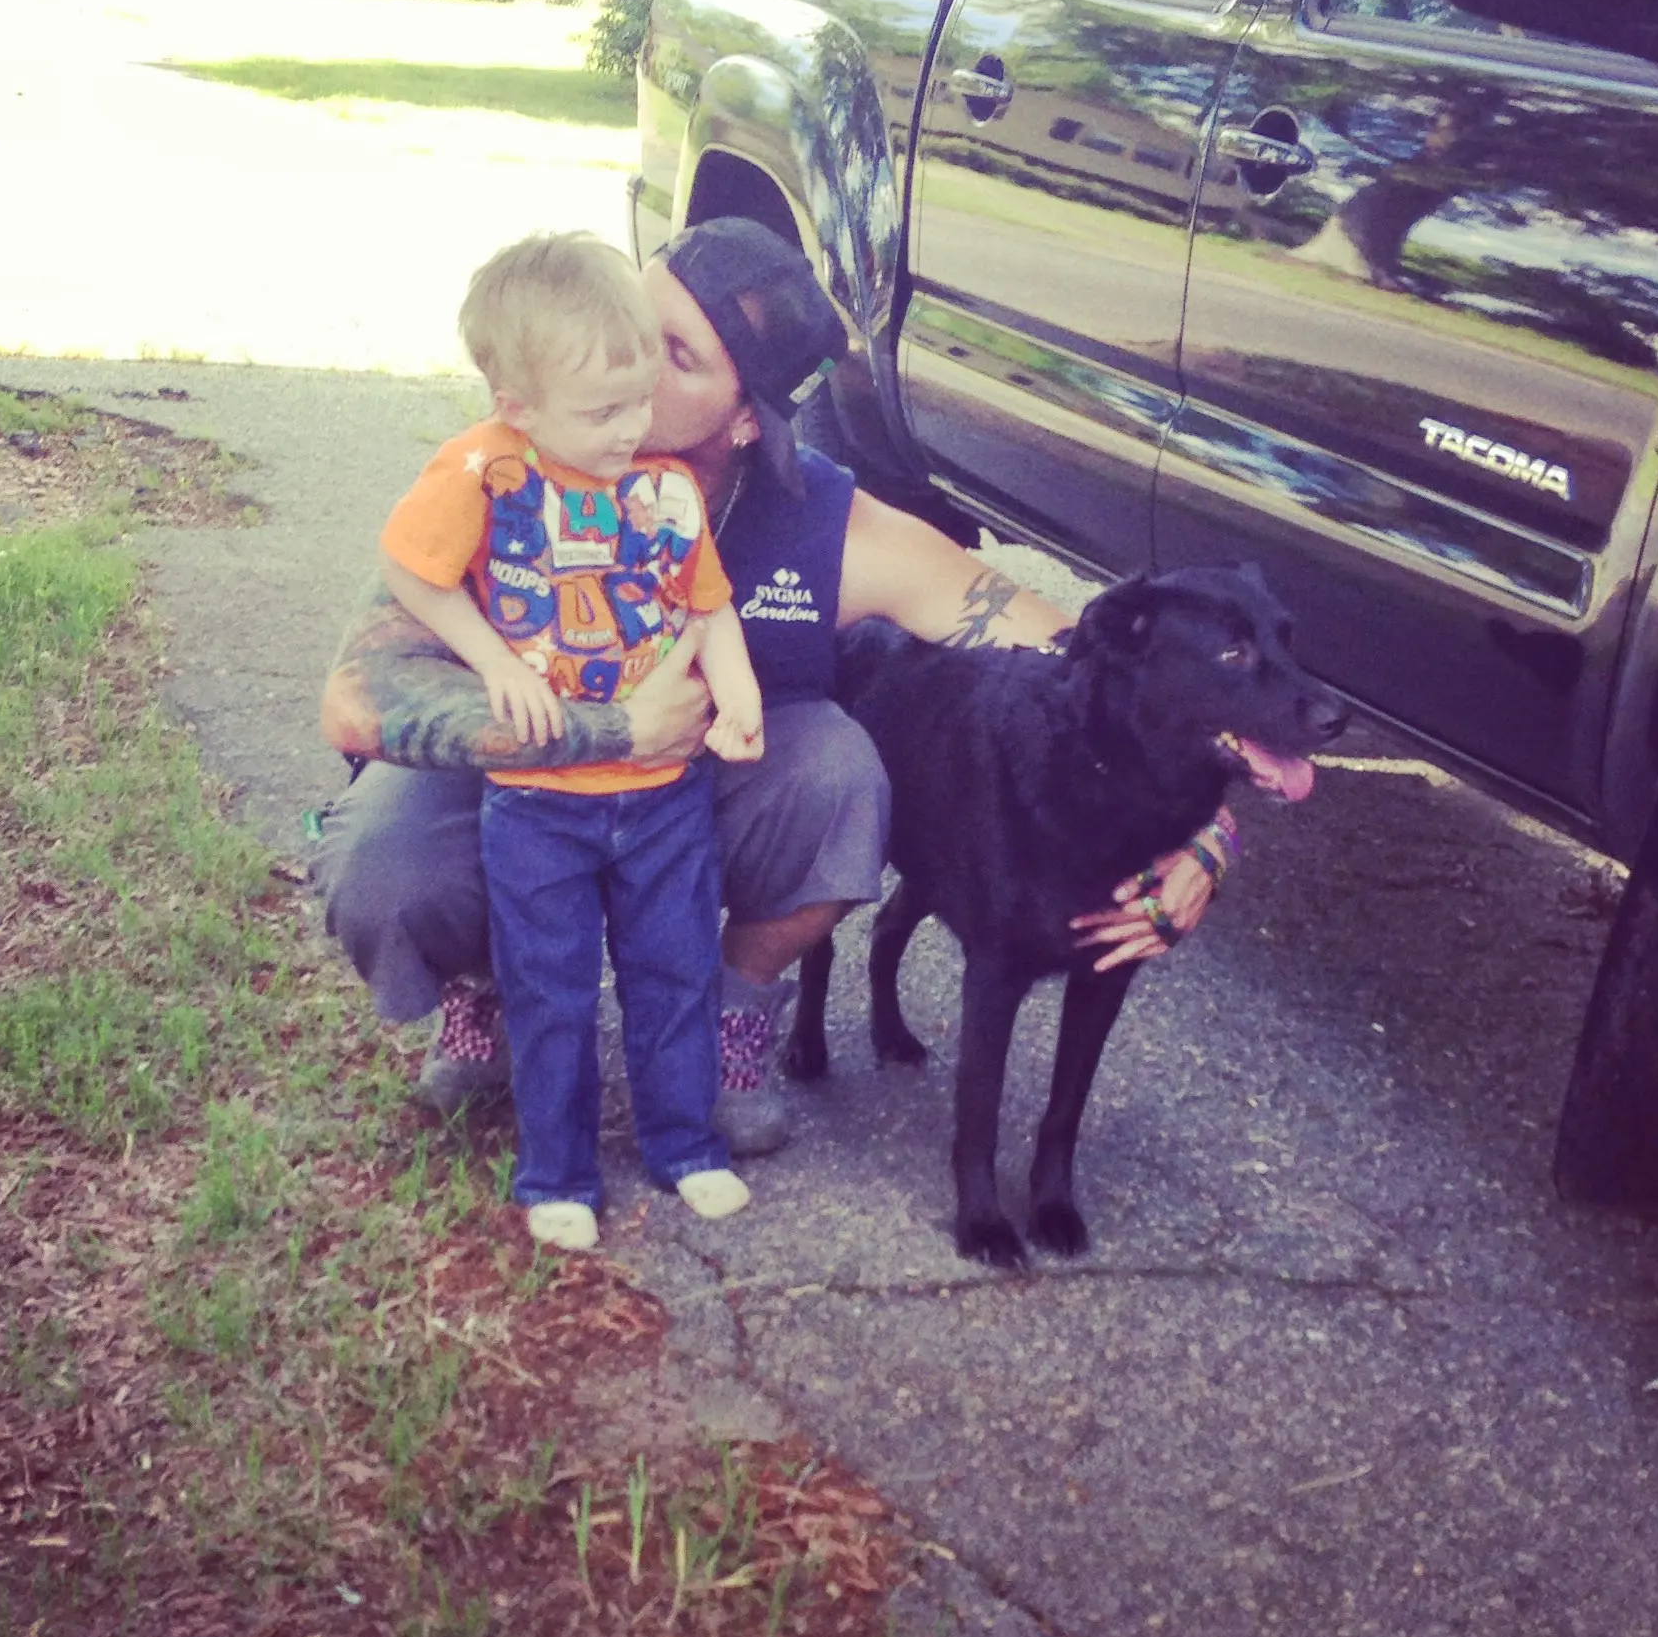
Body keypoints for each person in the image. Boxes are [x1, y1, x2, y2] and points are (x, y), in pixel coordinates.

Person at [317, 216, 1236, 1154]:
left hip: (692, 796)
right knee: (383, 872)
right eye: (631, 319)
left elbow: (1088, 654)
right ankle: (491, 989)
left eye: (674, 354)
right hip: (514, 783)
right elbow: (356, 699)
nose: (626, 357)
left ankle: (730, 1010)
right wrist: (613, 730)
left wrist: (1208, 828)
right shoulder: (507, 460)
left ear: (747, 416)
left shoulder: (831, 529)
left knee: (844, 775)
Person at [376, 232, 760, 1251]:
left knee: (673, 971)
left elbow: (709, 606)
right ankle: (558, 1171)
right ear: (518, 403)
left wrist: (738, 694)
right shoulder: (483, 473)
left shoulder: (665, 489)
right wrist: (495, 658)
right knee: (548, 986)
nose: (634, 428)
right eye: (603, 413)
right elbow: (411, 570)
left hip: (665, 793)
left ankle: (684, 1146)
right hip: (539, 801)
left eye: (640, 401)